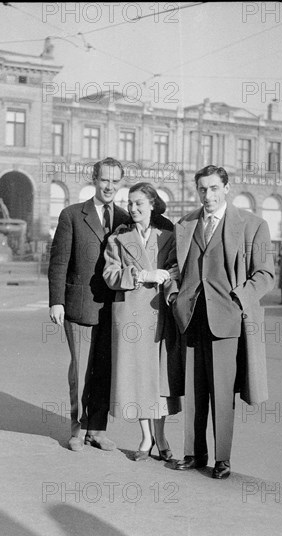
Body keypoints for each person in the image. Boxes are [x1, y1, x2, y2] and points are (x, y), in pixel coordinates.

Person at [166, 165, 275, 479]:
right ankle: (193, 453)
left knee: (222, 392)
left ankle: (222, 459)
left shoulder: (252, 225)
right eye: (202, 189)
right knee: (193, 388)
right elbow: (172, 266)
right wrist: (173, 296)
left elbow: (265, 274)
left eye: (214, 188)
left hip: (227, 319)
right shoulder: (185, 224)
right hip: (189, 317)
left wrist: (239, 298)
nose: (207, 195)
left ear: (227, 188)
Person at [48, 157, 130, 452]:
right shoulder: (71, 215)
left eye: (115, 181)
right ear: (94, 180)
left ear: (121, 184)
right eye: (104, 179)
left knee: (104, 370)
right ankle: (77, 429)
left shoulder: (124, 218)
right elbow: (58, 262)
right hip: (79, 304)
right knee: (81, 371)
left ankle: (97, 429)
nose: (109, 186)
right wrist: (56, 301)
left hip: (114, 308)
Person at [103, 182, 184, 461]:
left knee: (160, 380)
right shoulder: (118, 238)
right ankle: (146, 439)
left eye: (139, 203)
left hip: (161, 313)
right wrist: (141, 275)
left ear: (152, 204)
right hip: (132, 318)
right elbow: (110, 275)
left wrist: (168, 274)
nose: (133, 208)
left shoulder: (168, 236)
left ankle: (161, 438)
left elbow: (179, 268)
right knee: (139, 377)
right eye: (130, 203)